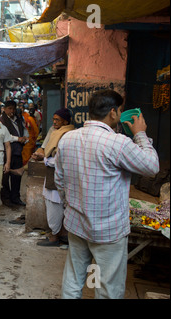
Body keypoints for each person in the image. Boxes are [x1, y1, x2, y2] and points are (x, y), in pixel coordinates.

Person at [55, 90, 159, 299]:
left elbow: (60, 181)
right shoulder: (117, 143)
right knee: (107, 286)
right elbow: (152, 166)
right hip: (108, 230)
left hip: (77, 224)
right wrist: (140, 134)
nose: (120, 114)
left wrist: (72, 206)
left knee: (74, 279)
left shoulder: (67, 138)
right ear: (112, 112)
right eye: (119, 110)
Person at [31, 108, 74, 247]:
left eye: (57, 120)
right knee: (54, 205)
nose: (54, 122)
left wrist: (45, 159)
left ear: (65, 121)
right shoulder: (56, 132)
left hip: (59, 177)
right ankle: (58, 234)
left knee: (56, 206)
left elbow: (62, 160)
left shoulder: (66, 134)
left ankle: (55, 237)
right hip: (52, 176)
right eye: (54, 119)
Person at [0, 100, 28, 207]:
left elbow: (24, 130)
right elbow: (4, 136)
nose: (12, 111)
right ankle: (6, 199)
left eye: (13, 109)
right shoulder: (1, 121)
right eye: (9, 108)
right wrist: (18, 138)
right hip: (6, 152)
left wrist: (25, 138)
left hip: (17, 151)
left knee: (17, 176)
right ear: (5, 109)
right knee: (5, 177)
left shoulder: (19, 119)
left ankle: (15, 197)